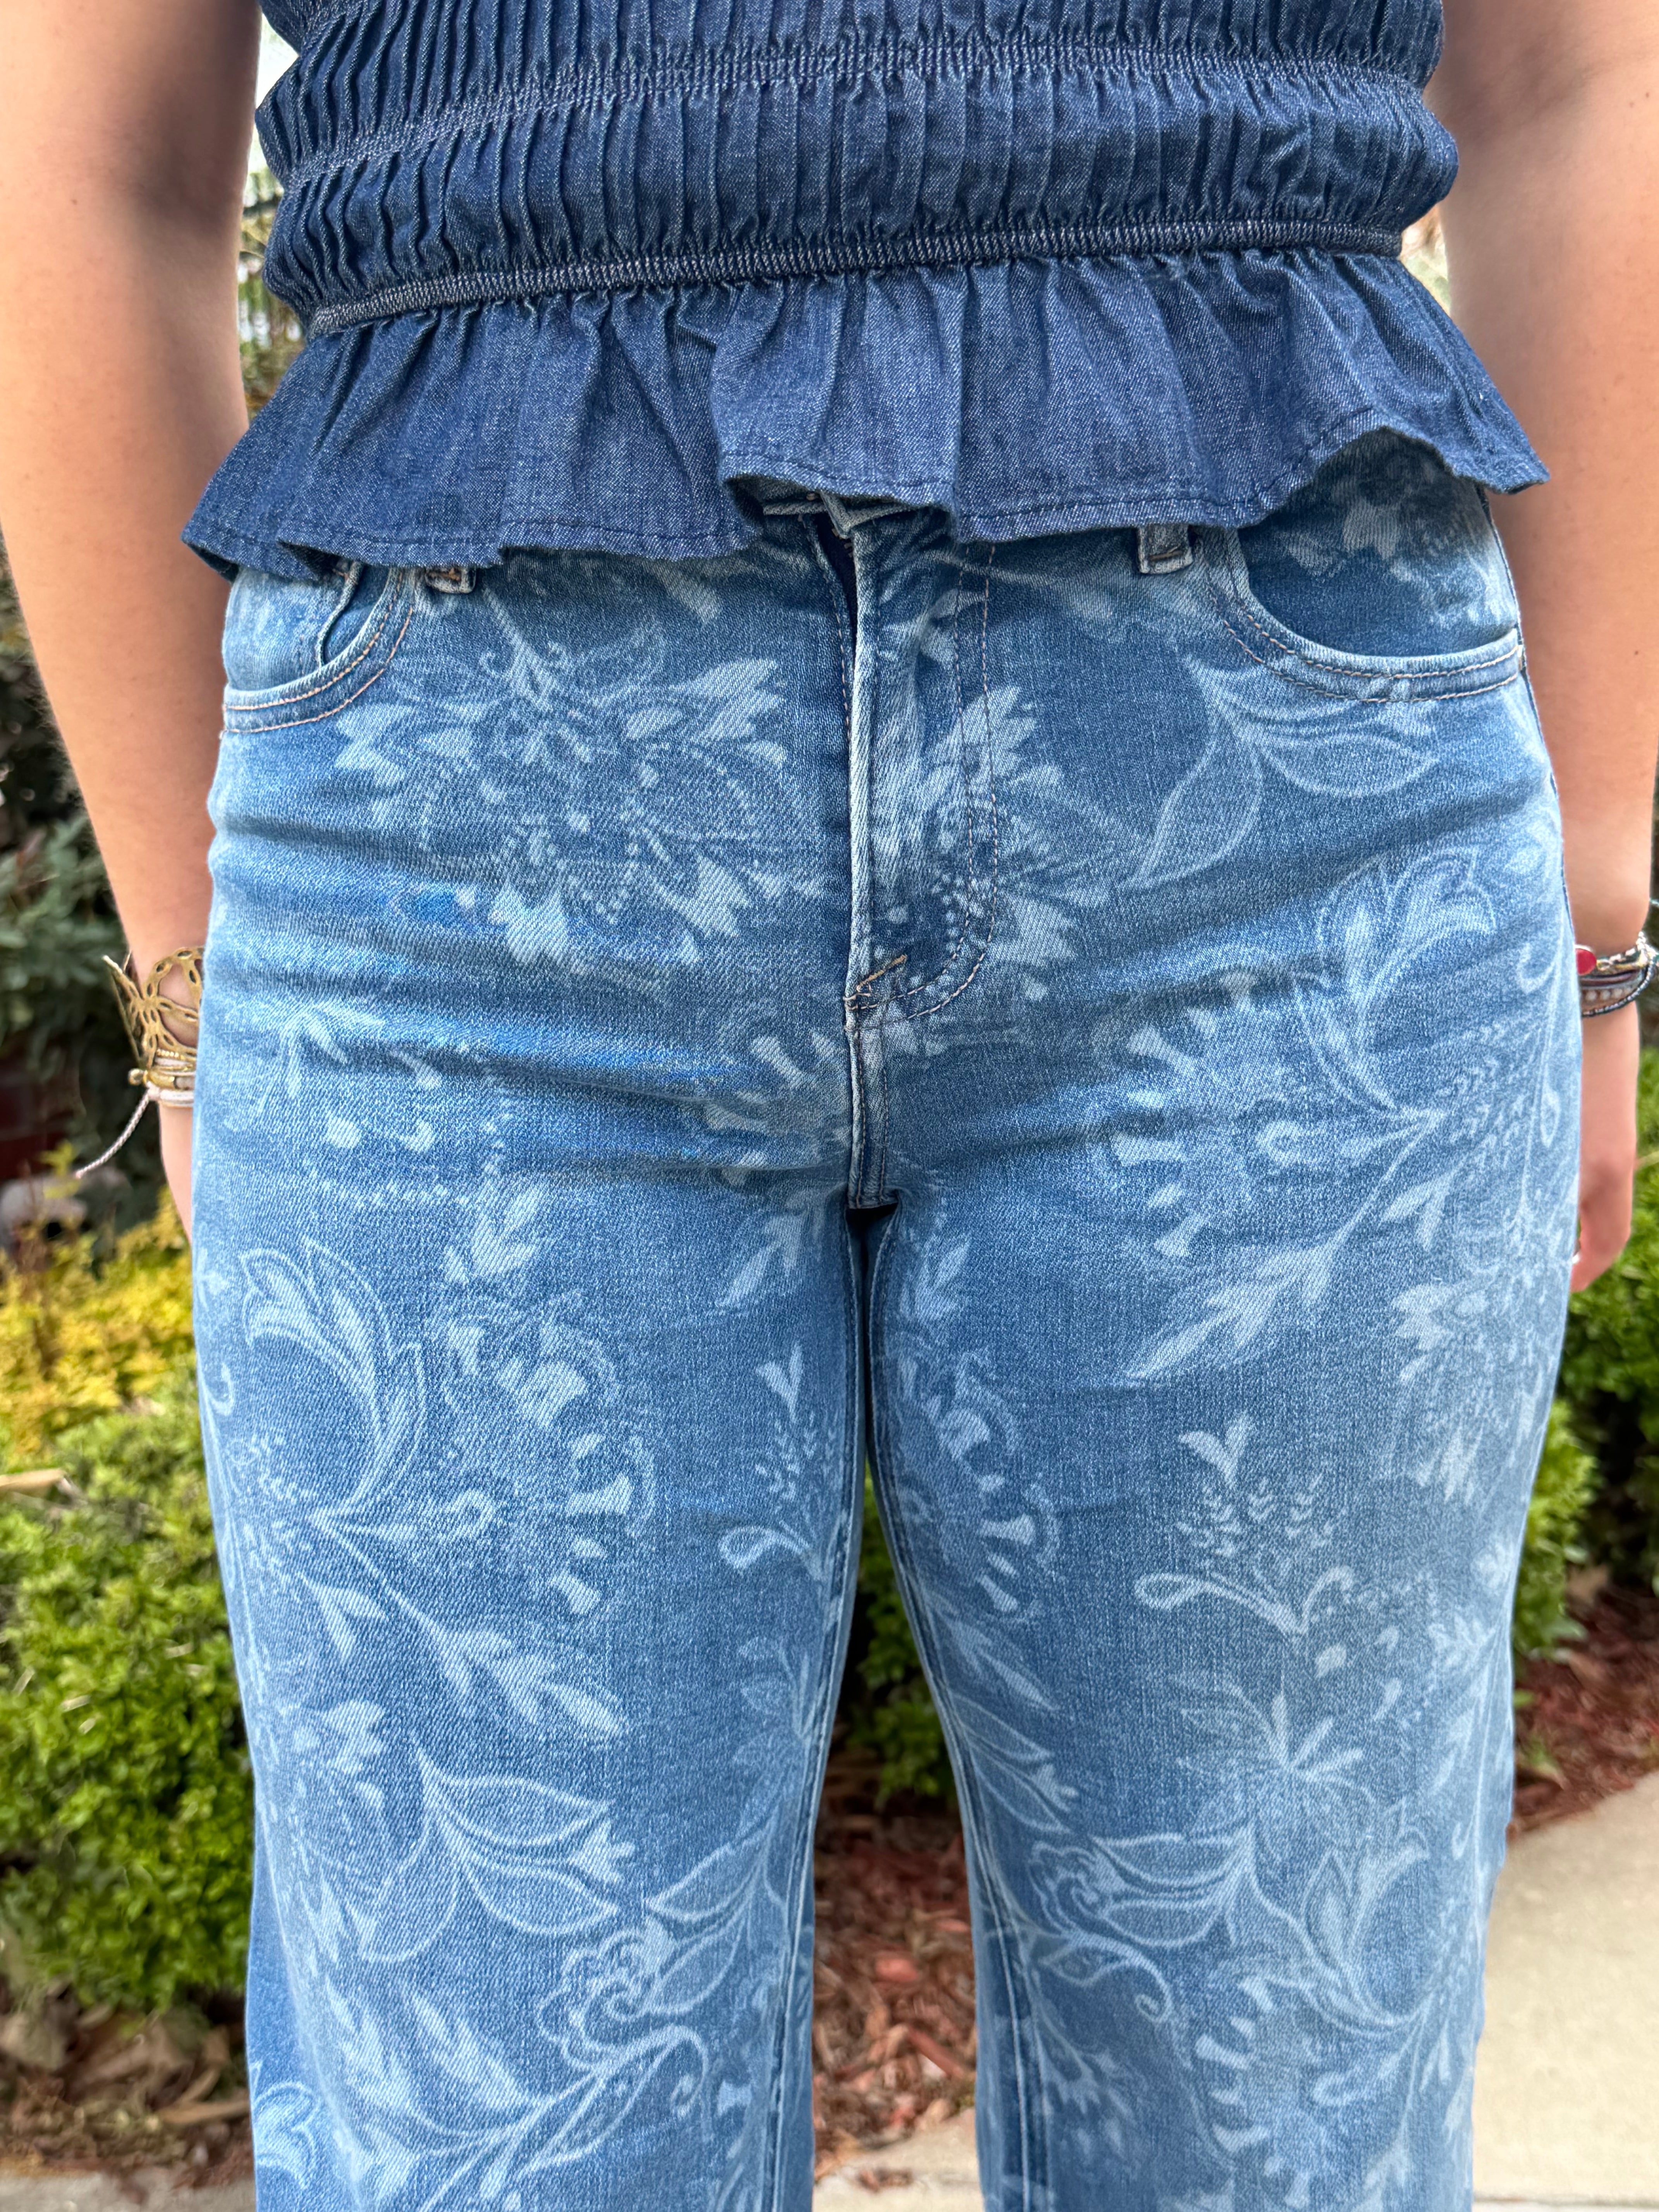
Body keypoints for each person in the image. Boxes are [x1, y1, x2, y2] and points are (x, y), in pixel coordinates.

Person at [0, 0, 1653, 2204]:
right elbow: (79, 159)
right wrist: (193, 975)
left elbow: (1580, 71)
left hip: (1282, 817)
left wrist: (1595, 898)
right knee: (494, 2152)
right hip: (462, 870)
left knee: (1281, 2124)